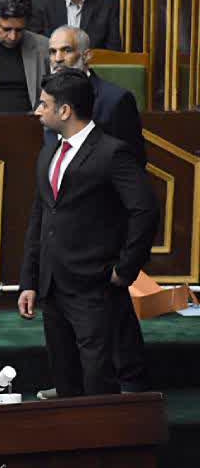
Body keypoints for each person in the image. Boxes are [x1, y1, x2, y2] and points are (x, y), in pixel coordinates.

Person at [18, 69, 157, 397]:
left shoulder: (112, 152)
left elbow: (145, 209)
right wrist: (29, 280)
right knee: (65, 378)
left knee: (97, 380)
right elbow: (40, 218)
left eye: (44, 104)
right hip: (53, 288)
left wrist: (125, 269)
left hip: (94, 288)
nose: (37, 111)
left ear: (65, 110)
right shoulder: (49, 152)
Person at [46, 26, 145, 164]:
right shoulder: (46, 98)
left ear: (86, 56)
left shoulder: (116, 100)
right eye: (52, 52)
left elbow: (131, 160)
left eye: (67, 50)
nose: (57, 59)